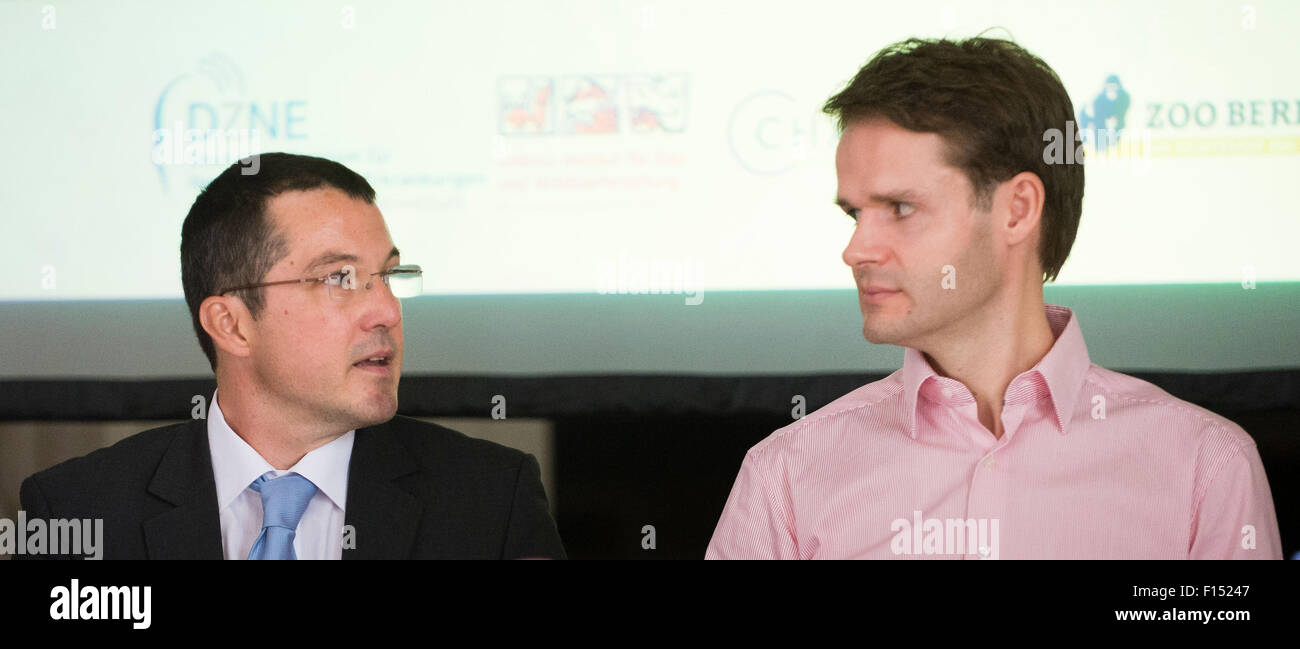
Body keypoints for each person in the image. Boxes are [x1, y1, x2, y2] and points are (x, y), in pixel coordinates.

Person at [706, 37, 1282, 559]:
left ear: (1017, 209)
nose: (856, 249)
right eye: (855, 214)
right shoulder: (784, 476)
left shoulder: (1205, 470)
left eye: (899, 209)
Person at [19, 153, 565, 559]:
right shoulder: (76, 510)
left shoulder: (491, 502)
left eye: (390, 276)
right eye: (339, 278)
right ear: (230, 323)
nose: (387, 311)